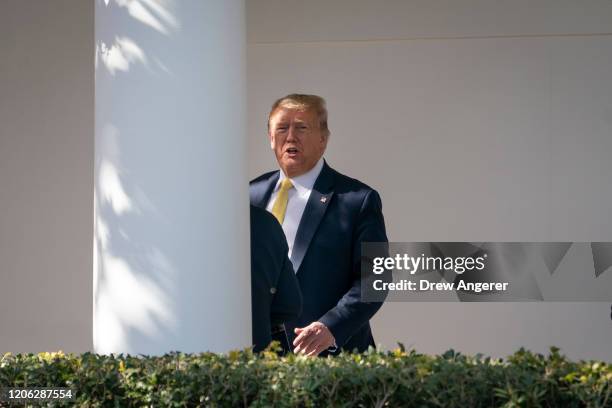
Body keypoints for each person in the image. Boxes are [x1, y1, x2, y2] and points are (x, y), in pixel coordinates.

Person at [250, 94, 389, 356]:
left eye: (301, 127)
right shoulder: (249, 196)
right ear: (270, 138)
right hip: (259, 359)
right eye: (281, 128)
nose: (290, 137)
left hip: (329, 359)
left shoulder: (358, 200)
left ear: (323, 139)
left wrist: (331, 327)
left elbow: (376, 280)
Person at [250, 204, 302, 352]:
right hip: (258, 354)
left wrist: (332, 326)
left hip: (342, 355)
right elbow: (288, 305)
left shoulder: (363, 198)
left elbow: (373, 288)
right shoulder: (255, 192)